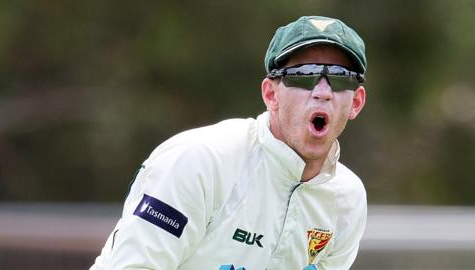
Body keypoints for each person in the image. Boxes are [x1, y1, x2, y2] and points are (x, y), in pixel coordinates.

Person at [91, 15, 367, 270]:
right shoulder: (200, 160)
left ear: (356, 102)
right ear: (271, 95)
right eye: (303, 75)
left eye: (340, 78)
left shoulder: (347, 198)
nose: (322, 91)